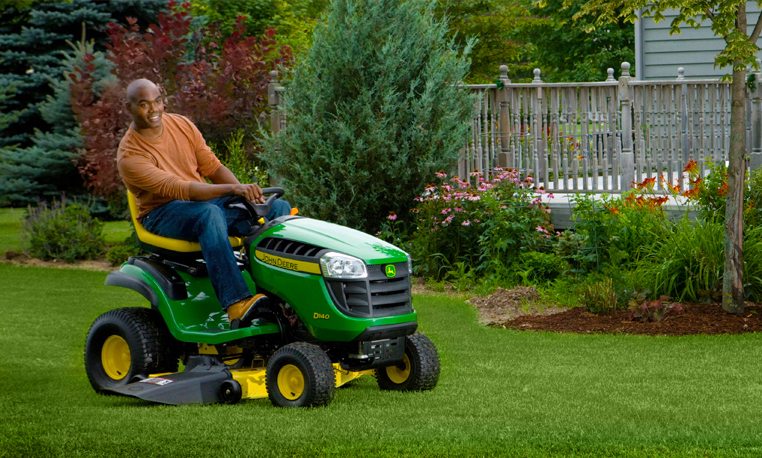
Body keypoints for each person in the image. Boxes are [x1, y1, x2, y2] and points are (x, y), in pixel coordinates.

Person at [117, 78, 290, 325]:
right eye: (144, 104)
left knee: (278, 208)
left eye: (157, 101)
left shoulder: (181, 125)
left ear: (163, 101)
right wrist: (234, 188)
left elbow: (213, 167)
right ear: (130, 108)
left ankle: (282, 295)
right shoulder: (130, 156)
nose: (154, 110)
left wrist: (246, 197)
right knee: (207, 214)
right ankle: (236, 303)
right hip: (161, 213)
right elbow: (180, 189)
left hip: (200, 204)